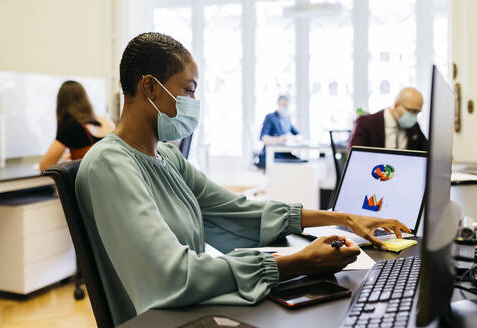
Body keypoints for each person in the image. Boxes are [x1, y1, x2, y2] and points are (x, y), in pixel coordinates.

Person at [75, 32, 410, 314]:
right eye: (189, 90)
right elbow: (173, 275)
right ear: (149, 87)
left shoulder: (166, 156)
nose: (194, 101)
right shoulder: (110, 165)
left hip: (191, 308)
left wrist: (343, 219)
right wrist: (301, 262)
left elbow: (238, 210)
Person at [39, 81, 115, 172]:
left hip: (92, 183)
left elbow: (44, 166)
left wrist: (68, 163)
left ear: (61, 103)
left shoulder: (70, 125)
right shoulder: (107, 120)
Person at [348, 87, 428, 151]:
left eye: (417, 112)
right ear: (396, 105)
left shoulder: (414, 127)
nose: (413, 116)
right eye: (411, 111)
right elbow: (355, 158)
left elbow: (427, 151)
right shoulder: (366, 124)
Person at [256, 95, 302, 168]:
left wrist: (290, 138)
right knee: (296, 165)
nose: (285, 107)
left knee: (301, 162)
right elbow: (264, 138)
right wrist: (278, 139)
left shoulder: (287, 119)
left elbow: (298, 135)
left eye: (286, 105)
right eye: (283, 105)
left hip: (284, 153)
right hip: (271, 154)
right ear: (278, 104)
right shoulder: (270, 117)